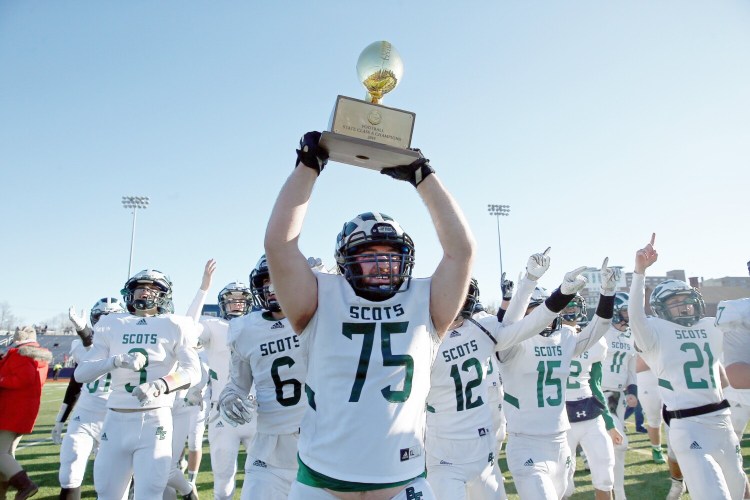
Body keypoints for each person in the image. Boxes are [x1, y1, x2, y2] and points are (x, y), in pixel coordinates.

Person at [264, 131, 475, 500]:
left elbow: (462, 250)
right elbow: (279, 247)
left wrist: (422, 175)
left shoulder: (425, 300)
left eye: (390, 254)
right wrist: (307, 167)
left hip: (402, 478)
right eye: (368, 254)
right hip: (321, 479)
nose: (381, 264)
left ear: (405, 258)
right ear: (346, 260)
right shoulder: (320, 296)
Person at [628, 234, 746, 499]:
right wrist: (639, 273)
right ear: (661, 309)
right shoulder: (655, 333)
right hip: (688, 425)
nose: (683, 306)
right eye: (675, 302)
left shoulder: (710, 325)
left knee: (738, 492)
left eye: (686, 300)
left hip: (723, 422)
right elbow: (636, 316)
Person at [497, 258, 618, 500]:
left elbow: (599, 327)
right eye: (536, 312)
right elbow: (512, 322)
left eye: (547, 311)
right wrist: (532, 282)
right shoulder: (512, 343)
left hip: (561, 440)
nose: (546, 317)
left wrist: (608, 293)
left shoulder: (565, 338)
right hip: (526, 442)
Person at [75, 269, 201, 500]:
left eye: (153, 288)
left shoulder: (175, 324)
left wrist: (161, 384)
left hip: (154, 420)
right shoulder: (112, 323)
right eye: (140, 287)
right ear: (129, 293)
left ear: (165, 295)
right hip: (114, 419)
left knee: (149, 494)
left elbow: (193, 371)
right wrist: (116, 361)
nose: (145, 292)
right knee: (106, 493)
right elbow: (82, 373)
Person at [218, 254, 320, 499]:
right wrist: (229, 399)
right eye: (266, 280)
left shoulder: (319, 316)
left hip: (317, 442)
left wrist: (325, 278)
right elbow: (236, 385)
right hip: (267, 447)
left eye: (280, 277)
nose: (272, 286)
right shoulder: (244, 329)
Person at [188, 259, 257, 500]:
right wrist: (203, 288)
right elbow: (187, 328)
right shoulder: (213, 326)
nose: (236, 304)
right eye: (231, 299)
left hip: (257, 411)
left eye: (240, 299)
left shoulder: (259, 325)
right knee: (223, 483)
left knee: (261, 480)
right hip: (222, 412)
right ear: (222, 304)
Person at [54, 297, 127, 500]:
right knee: (70, 468)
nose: (104, 324)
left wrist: (84, 329)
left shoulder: (127, 343)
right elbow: (75, 385)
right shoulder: (82, 346)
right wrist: (61, 418)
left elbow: (91, 342)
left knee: (109, 480)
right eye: (100, 318)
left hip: (115, 417)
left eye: (109, 318)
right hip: (85, 414)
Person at [562, 294, 622, 500]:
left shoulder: (595, 342)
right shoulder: (546, 339)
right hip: (559, 417)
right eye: (565, 306)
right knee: (562, 482)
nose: (570, 311)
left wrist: (609, 423)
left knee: (604, 470)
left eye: (574, 306)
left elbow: (595, 386)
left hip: (589, 413)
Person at [0, 326, 52, 499]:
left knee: (1, 454)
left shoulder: (20, 354)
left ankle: (25, 485)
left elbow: (24, 378)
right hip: (25, 409)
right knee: (6, 454)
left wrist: (1, 379)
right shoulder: (37, 355)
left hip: (11, 409)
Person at [600, 291, 639, 499]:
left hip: (619, 396)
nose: (628, 314)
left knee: (616, 446)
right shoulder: (603, 331)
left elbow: (631, 368)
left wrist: (633, 390)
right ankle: (618, 492)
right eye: (625, 310)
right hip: (600, 394)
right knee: (620, 444)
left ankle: (616, 489)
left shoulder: (631, 334)